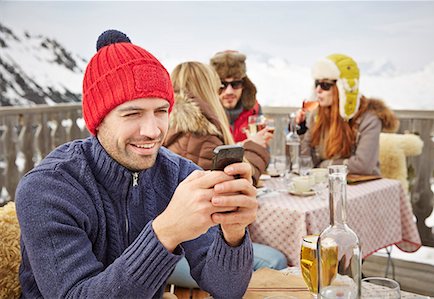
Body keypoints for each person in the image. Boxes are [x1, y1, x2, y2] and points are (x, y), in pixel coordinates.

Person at [14, 30, 256, 299]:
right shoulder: (48, 189)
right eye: (133, 113)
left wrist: (233, 232)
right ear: (98, 120)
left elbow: (227, 288)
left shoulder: (179, 175)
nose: (152, 131)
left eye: (161, 111)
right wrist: (166, 231)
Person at [164, 61, 288, 288]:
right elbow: (227, 194)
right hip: (184, 251)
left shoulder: (172, 126)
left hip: (164, 246)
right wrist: (256, 147)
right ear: (208, 89)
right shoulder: (203, 134)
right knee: (275, 260)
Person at [297, 53, 399, 175]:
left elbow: (362, 166)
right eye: (316, 83)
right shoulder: (317, 115)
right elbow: (307, 163)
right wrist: (301, 131)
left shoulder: (369, 118)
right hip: (326, 184)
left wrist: (324, 165)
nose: (318, 90)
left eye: (325, 85)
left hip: (363, 186)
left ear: (342, 89)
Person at [210, 50, 272, 147]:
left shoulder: (254, 110)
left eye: (236, 84)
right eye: (222, 84)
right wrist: (247, 145)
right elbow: (208, 156)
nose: (229, 91)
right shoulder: (205, 114)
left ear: (244, 85)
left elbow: (264, 152)